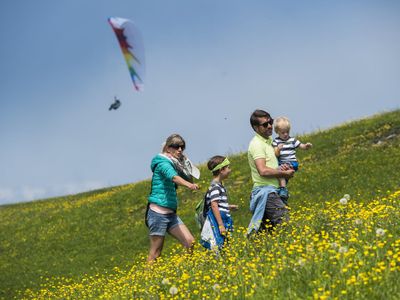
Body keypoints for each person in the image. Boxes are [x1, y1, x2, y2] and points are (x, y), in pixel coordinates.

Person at [146, 134, 199, 262]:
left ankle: (187, 271)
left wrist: (185, 165)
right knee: (155, 253)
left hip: (170, 214)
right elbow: (173, 177)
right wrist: (189, 185)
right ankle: (148, 279)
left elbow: (188, 176)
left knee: (190, 242)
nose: (179, 149)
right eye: (176, 146)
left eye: (182, 147)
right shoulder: (162, 163)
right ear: (168, 148)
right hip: (157, 213)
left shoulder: (175, 163)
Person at [247, 109, 295, 235]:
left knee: (266, 234)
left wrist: (281, 169)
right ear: (256, 128)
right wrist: (283, 174)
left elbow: (271, 167)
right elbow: (262, 171)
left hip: (272, 191)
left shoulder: (269, 142)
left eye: (270, 122)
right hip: (266, 193)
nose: (269, 126)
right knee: (286, 224)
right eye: (265, 124)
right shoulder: (257, 144)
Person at [200, 156, 238, 250]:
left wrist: (228, 207)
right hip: (219, 218)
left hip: (222, 216)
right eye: (228, 167)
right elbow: (214, 205)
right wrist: (220, 224)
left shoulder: (218, 185)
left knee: (225, 244)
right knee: (219, 242)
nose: (230, 169)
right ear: (221, 170)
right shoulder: (215, 186)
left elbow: (218, 204)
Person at [272, 116, 313, 202]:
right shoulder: (276, 141)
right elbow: (276, 154)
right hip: (281, 163)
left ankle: (283, 190)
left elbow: (301, 145)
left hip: (292, 163)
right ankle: (282, 193)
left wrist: (306, 146)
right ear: (277, 132)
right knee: (279, 174)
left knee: (281, 173)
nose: (286, 134)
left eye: (287, 132)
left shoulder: (292, 140)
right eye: (283, 132)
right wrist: (278, 149)